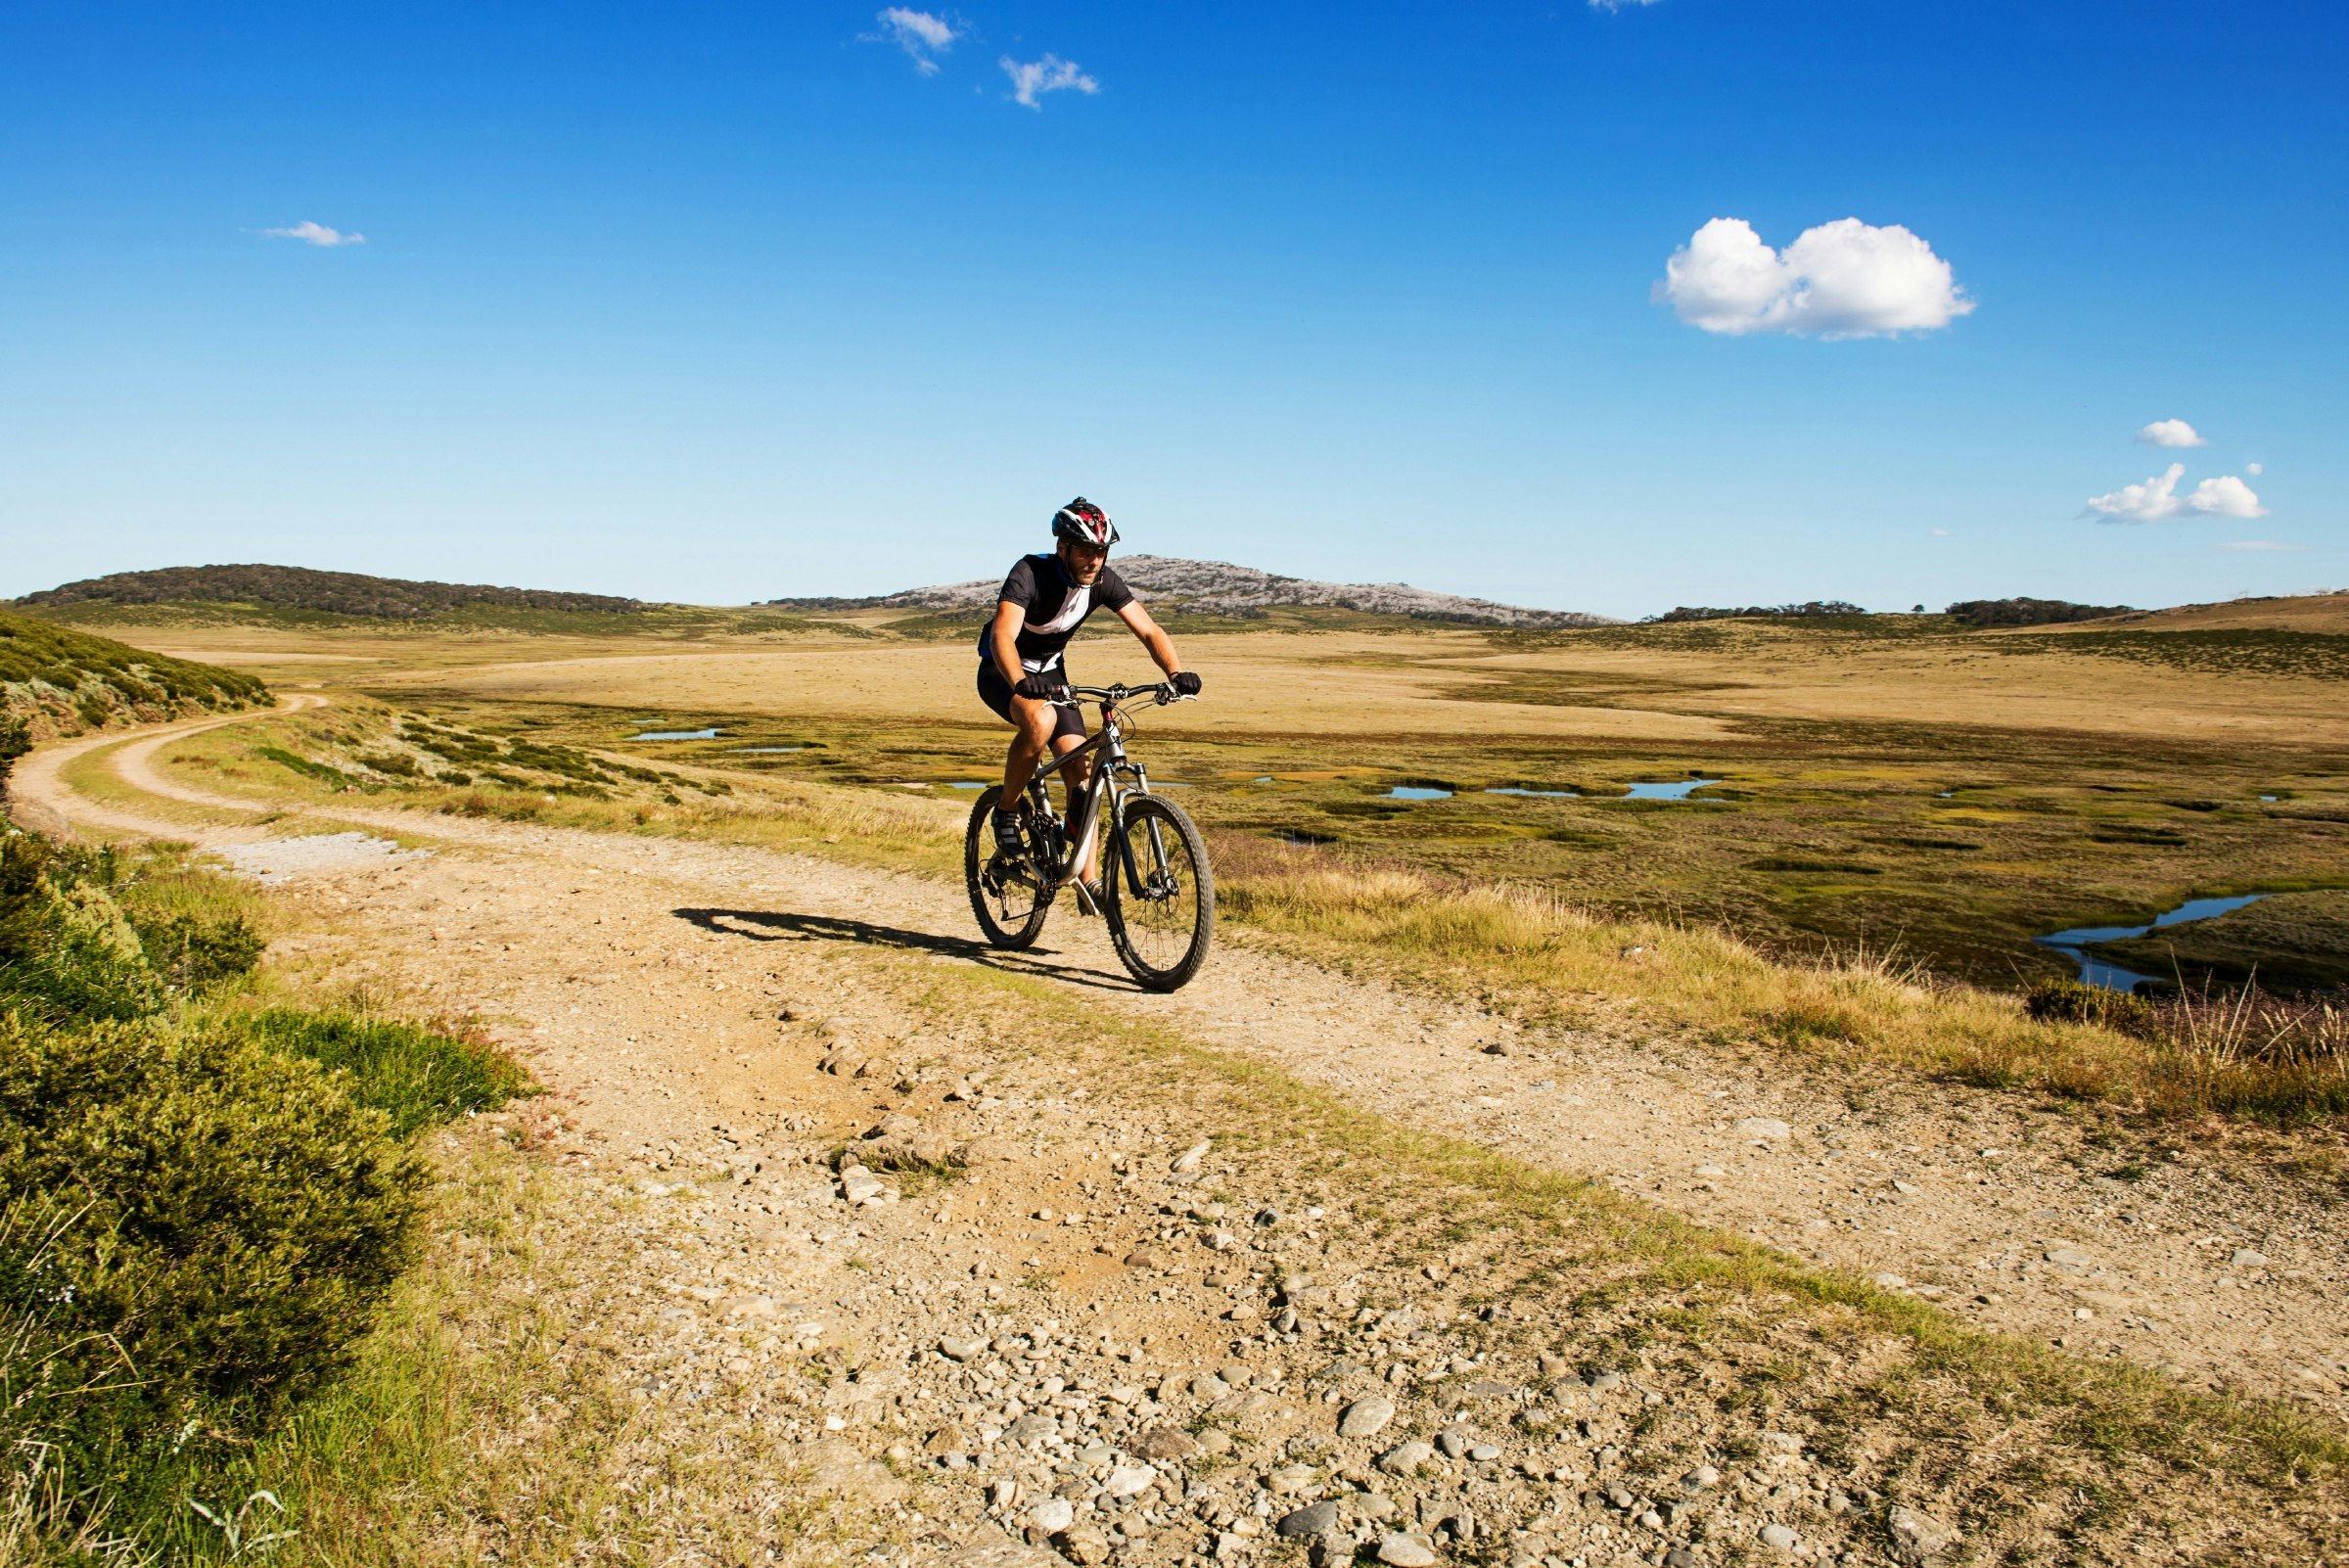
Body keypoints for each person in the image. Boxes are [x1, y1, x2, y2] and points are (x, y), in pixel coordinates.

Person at [977, 497, 1200, 911]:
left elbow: (1148, 630)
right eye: (1085, 549)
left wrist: (1175, 673)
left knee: (1083, 773)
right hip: (1002, 670)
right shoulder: (1030, 572)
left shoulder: (1104, 582)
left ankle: (1089, 880)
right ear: (1063, 547)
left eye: (1101, 551)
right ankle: (1006, 812)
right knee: (1039, 725)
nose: (1094, 559)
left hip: (1051, 673)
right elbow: (1002, 637)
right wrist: (1022, 683)